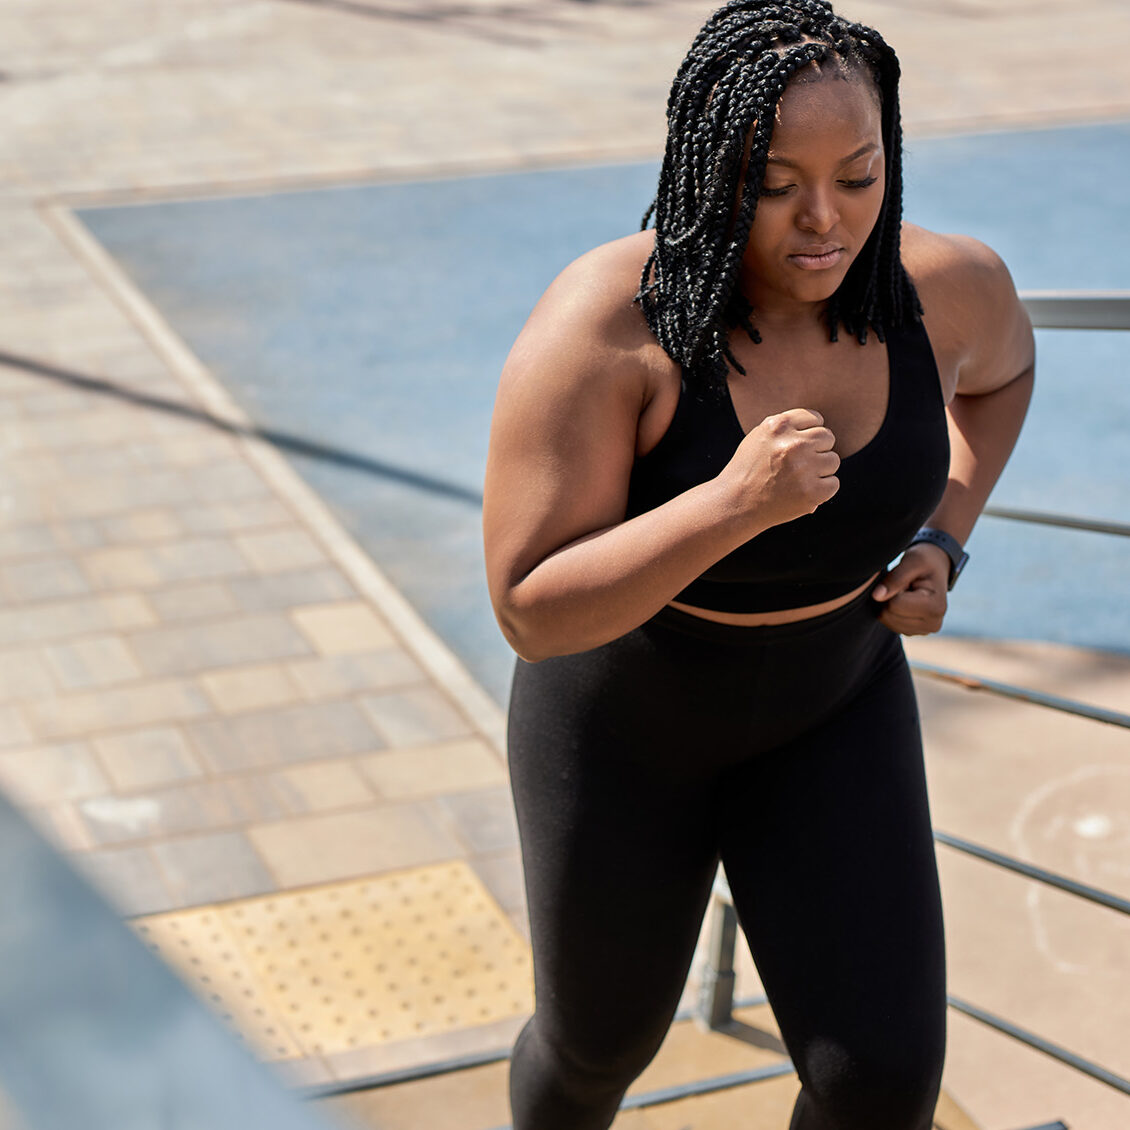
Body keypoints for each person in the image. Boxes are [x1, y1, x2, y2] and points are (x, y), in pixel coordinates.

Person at [481, 1, 1034, 1127]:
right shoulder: (608, 325)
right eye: (774, 183)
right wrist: (729, 504)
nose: (823, 220)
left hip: (833, 702)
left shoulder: (943, 288)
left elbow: (1000, 377)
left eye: (859, 174)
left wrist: (942, 532)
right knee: (598, 1043)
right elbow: (530, 607)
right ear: (703, 168)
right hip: (623, 723)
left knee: (877, 1080)